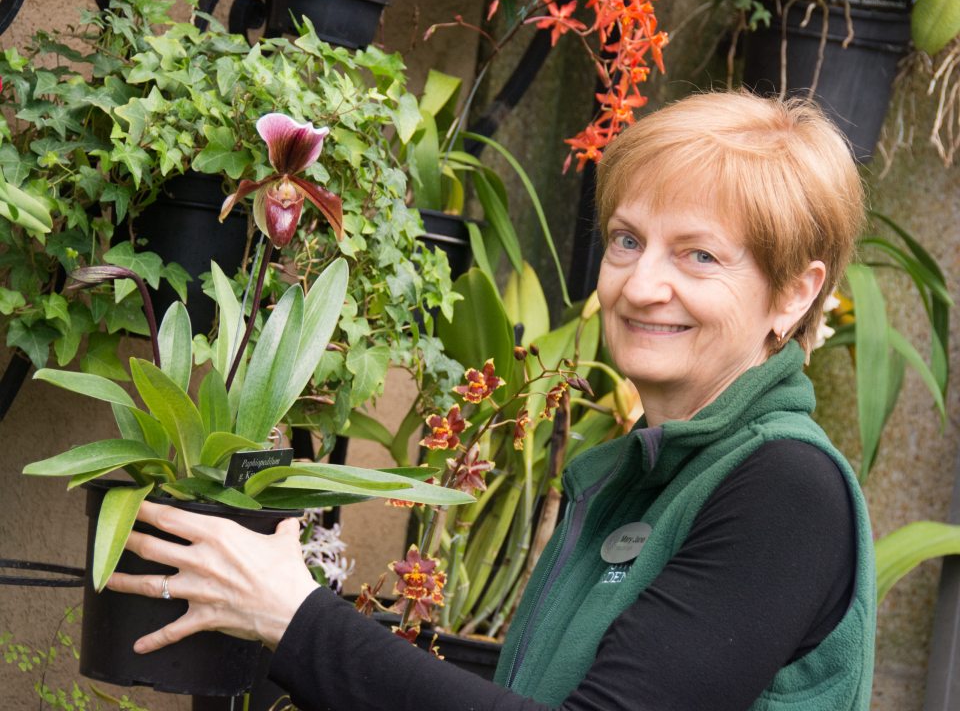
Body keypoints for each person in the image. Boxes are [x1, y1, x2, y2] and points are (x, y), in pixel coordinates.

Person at [107, 90, 876, 711]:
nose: (641, 285)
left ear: (794, 293)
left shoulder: (786, 490)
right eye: (626, 240)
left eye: (698, 255)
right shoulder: (643, 477)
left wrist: (294, 617)